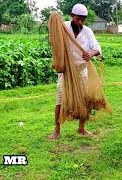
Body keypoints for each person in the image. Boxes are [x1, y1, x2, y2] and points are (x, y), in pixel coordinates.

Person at [49, 4, 101, 140]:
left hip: (82, 70)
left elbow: (97, 48)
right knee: (60, 101)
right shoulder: (63, 27)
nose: (80, 22)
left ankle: (81, 128)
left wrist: (91, 53)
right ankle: (56, 130)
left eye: (83, 19)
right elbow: (54, 41)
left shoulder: (88, 31)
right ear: (72, 15)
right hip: (66, 73)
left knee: (85, 100)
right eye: (78, 18)